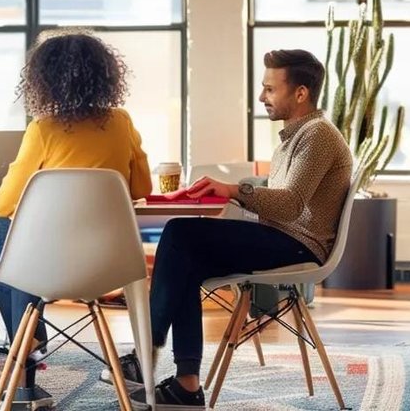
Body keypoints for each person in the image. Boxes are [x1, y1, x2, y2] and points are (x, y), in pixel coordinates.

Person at [112, 49, 352, 407]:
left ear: (301, 93)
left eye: (270, 89)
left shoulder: (318, 135)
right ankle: (187, 386)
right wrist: (235, 194)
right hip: (283, 236)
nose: (262, 97)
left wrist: (233, 191)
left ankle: (144, 353)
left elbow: (289, 204)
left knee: (179, 233)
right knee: (184, 263)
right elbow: (279, 198)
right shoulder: (295, 135)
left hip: (298, 244)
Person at [0, 32, 153, 410]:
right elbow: (142, 187)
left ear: (44, 80)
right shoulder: (122, 122)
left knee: (10, 268)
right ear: (105, 76)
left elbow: (5, 205)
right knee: (20, 264)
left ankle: (24, 381)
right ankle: (139, 384)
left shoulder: (42, 129)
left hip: (46, 269)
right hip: (109, 267)